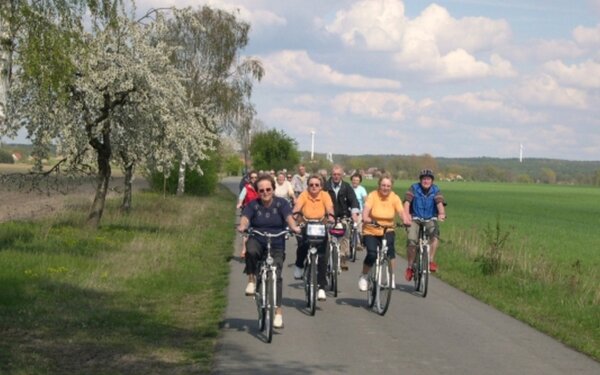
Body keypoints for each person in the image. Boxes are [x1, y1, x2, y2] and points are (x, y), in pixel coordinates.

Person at [237, 175, 301, 329]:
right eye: (261, 190)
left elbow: (289, 218)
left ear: (273, 189)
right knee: (251, 251)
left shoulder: (282, 203)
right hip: (258, 238)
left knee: (277, 275)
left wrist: (294, 227)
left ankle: (278, 313)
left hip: (277, 242)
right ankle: (251, 280)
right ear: (257, 191)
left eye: (268, 189)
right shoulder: (253, 205)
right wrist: (242, 226)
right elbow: (245, 218)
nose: (265, 192)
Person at [358, 174, 411, 291]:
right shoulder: (372, 196)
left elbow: (401, 212)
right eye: (383, 185)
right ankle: (364, 276)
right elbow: (365, 212)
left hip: (388, 229)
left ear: (391, 187)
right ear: (379, 185)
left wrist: (406, 220)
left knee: (390, 251)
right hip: (371, 229)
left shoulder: (394, 197)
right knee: (372, 254)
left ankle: (391, 277)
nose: (385, 188)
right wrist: (367, 218)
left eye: (388, 186)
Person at [292, 175, 335, 301]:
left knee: (322, 256)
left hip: (321, 225)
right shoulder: (304, 195)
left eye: (317, 185)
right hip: (307, 223)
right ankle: (299, 265)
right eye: (311, 185)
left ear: (321, 186)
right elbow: (297, 208)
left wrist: (331, 217)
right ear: (308, 186)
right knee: (302, 245)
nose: (314, 187)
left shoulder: (325, 195)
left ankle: (321, 287)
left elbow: (330, 208)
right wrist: (295, 216)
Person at [403, 169, 446, 281]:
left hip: (429, 218)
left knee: (434, 236)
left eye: (428, 179)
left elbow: (439, 202)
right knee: (412, 241)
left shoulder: (436, 190)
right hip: (415, 218)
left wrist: (441, 213)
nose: (426, 181)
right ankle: (410, 267)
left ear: (432, 181)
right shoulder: (414, 188)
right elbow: (407, 202)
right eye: (424, 179)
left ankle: (431, 261)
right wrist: (406, 215)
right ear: (420, 180)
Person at [323, 165, 360, 270]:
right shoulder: (325, 186)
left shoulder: (346, 187)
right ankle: (326, 257)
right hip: (328, 216)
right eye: (334, 174)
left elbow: (353, 201)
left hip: (343, 215)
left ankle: (343, 257)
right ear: (331, 174)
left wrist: (354, 213)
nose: (336, 176)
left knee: (345, 234)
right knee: (326, 236)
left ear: (342, 175)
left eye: (338, 174)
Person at [236, 171, 259, 258]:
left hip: (258, 211)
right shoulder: (246, 188)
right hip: (248, 211)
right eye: (252, 177)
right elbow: (241, 196)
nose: (254, 179)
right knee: (246, 231)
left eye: (255, 177)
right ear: (249, 179)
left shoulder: (260, 187)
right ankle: (244, 249)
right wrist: (240, 203)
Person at [350, 172, 368, 248]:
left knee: (359, 227)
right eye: (354, 180)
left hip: (359, 211)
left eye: (357, 180)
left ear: (359, 181)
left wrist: (365, 210)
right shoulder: (348, 188)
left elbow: (366, 200)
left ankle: (358, 243)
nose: (355, 182)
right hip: (349, 211)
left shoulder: (362, 189)